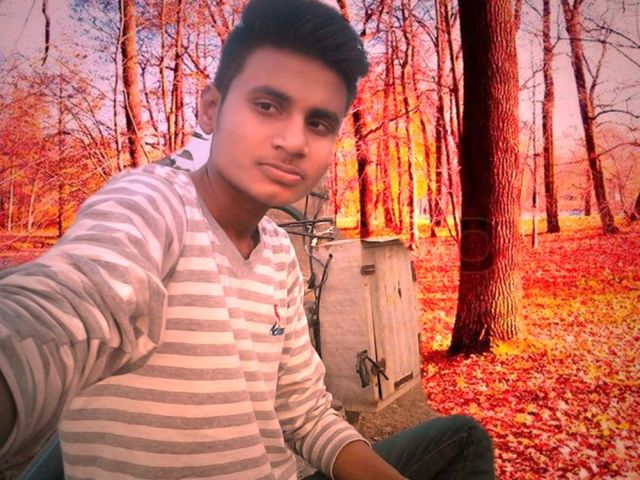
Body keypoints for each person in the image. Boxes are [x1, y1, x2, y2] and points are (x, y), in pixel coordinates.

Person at [0, 0, 495, 478]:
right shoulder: (151, 203)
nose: (293, 142)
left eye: (318, 122)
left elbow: (305, 413)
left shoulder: (277, 252)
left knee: (463, 439)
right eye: (267, 105)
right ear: (211, 109)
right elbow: (68, 306)